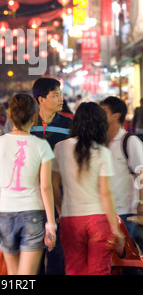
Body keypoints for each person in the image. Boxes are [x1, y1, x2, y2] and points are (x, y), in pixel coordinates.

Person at [0, 93, 56, 275]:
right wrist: (51, 224)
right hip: (33, 213)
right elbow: (45, 188)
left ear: (10, 115)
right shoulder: (41, 146)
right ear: (34, 116)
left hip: (5, 215)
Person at [52, 101, 125, 275]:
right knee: (99, 271)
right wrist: (115, 229)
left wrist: (61, 211)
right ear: (100, 124)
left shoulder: (60, 148)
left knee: (74, 270)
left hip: (71, 219)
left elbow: (53, 184)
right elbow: (105, 193)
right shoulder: (102, 151)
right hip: (99, 219)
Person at [30, 76, 72, 274]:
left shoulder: (68, 124)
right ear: (41, 99)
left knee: (57, 250)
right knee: (33, 249)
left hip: (59, 192)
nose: (61, 99)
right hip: (31, 195)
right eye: (56, 95)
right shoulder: (27, 124)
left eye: (60, 94)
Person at [100, 96, 143, 239]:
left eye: (103, 111)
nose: (99, 115)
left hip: (125, 212)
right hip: (103, 211)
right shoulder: (99, 142)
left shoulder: (130, 141)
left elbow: (141, 174)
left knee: (124, 258)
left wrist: (141, 204)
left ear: (116, 115)